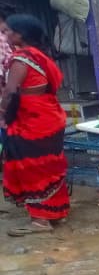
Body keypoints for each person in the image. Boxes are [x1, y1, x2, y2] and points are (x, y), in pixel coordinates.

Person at [1, 14, 68, 236]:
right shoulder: (42, 56)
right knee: (50, 164)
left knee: (31, 166)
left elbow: (11, 92)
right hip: (50, 113)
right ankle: (54, 212)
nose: (6, 35)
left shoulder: (21, 58)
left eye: (9, 31)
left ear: (20, 35)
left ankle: (40, 221)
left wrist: (2, 114)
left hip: (33, 118)